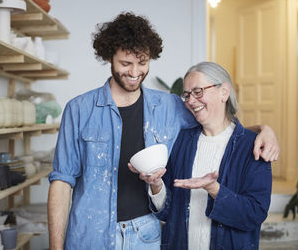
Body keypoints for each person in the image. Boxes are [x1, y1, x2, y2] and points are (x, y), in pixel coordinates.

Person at [47, 13, 278, 250]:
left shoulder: (170, 106)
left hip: (145, 236)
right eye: (126, 63)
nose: (135, 71)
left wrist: (262, 130)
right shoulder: (79, 109)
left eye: (143, 62)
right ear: (110, 58)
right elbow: (61, 183)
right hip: (90, 236)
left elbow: (216, 125)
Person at [133, 62, 272, 250]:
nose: (190, 101)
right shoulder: (180, 141)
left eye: (198, 92)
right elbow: (167, 212)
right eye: (187, 95)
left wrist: (214, 189)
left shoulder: (252, 147)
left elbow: (254, 213)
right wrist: (156, 185)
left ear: (224, 92)